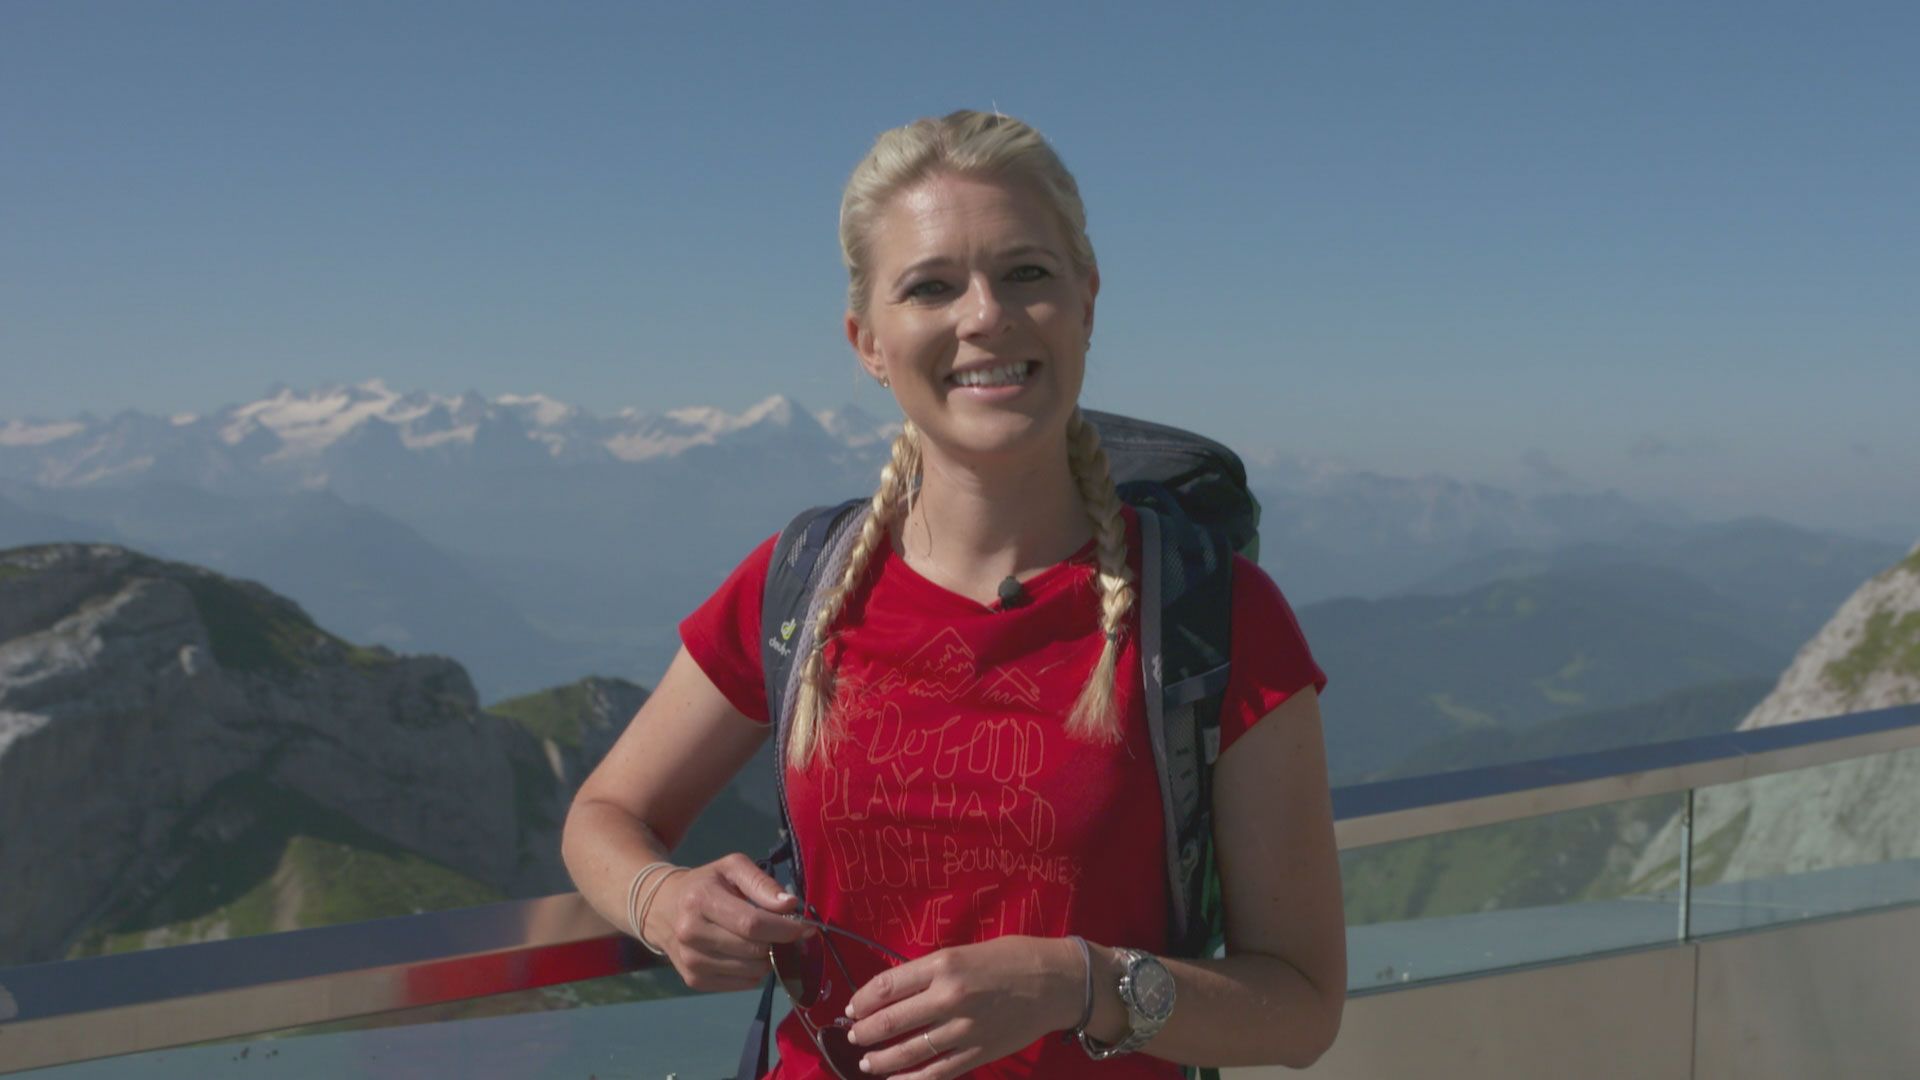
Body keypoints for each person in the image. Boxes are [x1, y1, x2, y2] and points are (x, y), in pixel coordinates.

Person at [562, 110, 1344, 1079]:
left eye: (1027, 274)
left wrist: (1075, 982)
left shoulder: (1214, 615)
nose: (986, 316)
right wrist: (661, 902)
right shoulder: (799, 582)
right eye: (932, 287)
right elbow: (605, 813)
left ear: (1087, 304)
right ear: (869, 341)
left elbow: (1302, 1008)